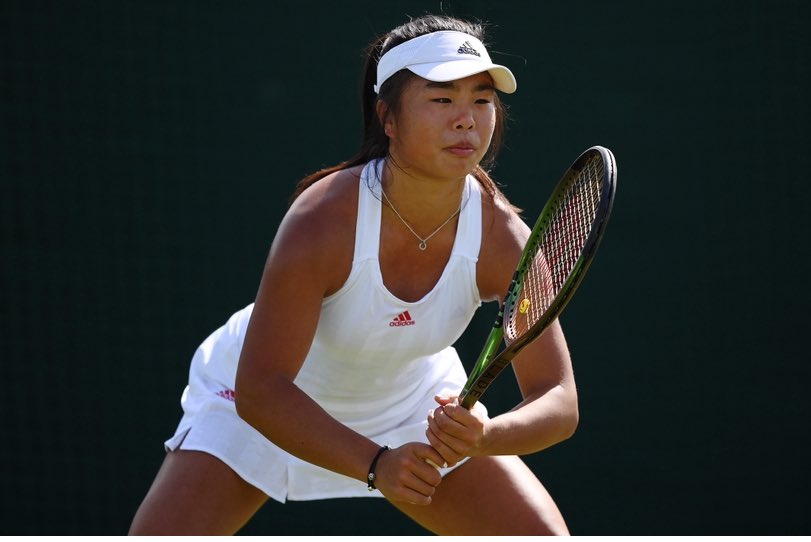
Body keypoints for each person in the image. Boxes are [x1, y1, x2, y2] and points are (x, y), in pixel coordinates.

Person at [129, 13, 578, 536]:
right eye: (441, 99)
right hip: (263, 402)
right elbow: (260, 389)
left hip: (410, 404)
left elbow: (558, 399)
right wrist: (374, 464)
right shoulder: (323, 221)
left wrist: (484, 435)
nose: (466, 119)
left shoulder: (502, 237)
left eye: (481, 99)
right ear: (388, 118)